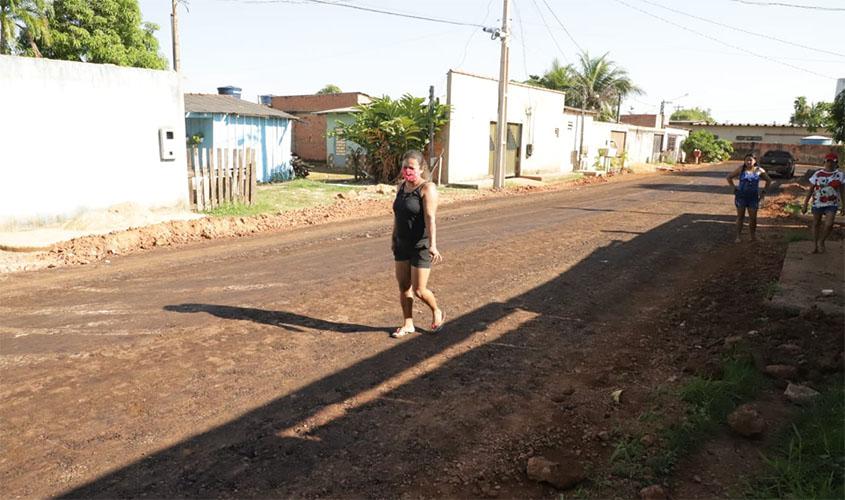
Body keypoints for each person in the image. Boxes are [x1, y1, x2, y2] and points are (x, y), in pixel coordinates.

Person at [390, 150, 445, 338]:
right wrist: (393, 238)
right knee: (404, 287)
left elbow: (430, 218)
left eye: (411, 168)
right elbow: (398, 217)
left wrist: (433, 245)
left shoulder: (427, 188)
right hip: (401, 244)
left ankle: (436, 311)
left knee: (419, 290)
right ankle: (408, 323)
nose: (407, 171)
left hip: (420, 245)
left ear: (421, 169)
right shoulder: (400, 187)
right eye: (405, 167)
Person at [802, 153, 844, 254]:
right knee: (816, 223)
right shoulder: (817, 174)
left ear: (836, 163)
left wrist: (844, 205)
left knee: (829, 224)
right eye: (828, 161)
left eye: (832, 162)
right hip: (818, 202)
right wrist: (805, 203)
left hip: (832, 203)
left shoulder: (840, 175)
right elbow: (810, 189)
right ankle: (815, 245)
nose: (829, 164)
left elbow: (842, 191)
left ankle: (822, 241)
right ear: (824, 162)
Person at [727, 153, 772, 243]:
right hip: (741, 197)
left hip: (753, 198)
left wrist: (763, 193)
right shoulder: (741, 169)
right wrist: (733, 188)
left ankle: (753, 236)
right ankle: (738, 236)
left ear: (755, 161)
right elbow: (729, 177)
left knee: (753, 218)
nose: (748, 162)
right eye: (747, 160)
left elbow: (768, 180)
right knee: (740, 217)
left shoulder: (758, 170)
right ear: (744, 161)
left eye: (751, 160)